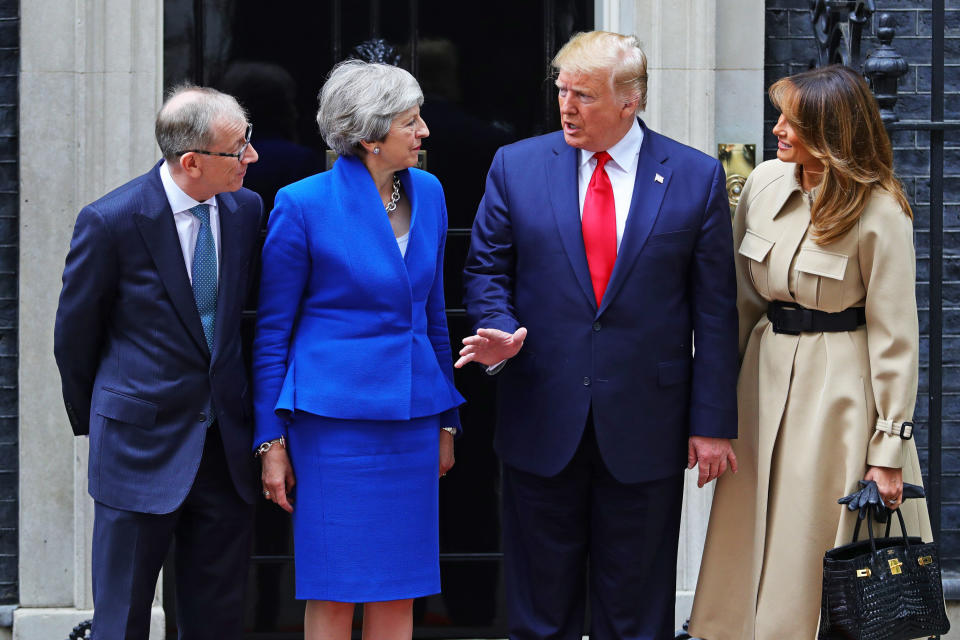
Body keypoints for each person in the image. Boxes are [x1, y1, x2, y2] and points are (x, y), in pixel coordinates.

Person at [458, 31, 739, 640]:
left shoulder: (695, 177)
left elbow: (716, 311)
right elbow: (485, 269)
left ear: (629, 100)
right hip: (542, 412)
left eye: (583, 95)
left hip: (647, 422)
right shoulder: (517, 165)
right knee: (539, 612)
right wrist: (500, 331)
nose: (565, 106)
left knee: (635, 613)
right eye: (561, 90)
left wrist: (712, 422)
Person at [688, 64, 933, 640]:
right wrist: (718, 403)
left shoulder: (880, 209)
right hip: (763, 378)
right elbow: (743, 303)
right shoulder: (765, 182)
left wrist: (888, 449)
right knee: (747, 530)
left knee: (810, 537)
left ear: (830, 130)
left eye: (792, 122)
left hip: (840, 393)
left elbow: (896, 335)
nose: (777, 129)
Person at [254, 59, 464, 640]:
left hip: (413, 419)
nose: (423, 132)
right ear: (371, 136)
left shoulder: (431, 191)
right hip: (333, 425)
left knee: (402, 587)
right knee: (334, 587)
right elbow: (273, 332)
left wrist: (448, 419)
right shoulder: (302, 203)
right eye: (410, 122)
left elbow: (433, 314)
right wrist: (270, 440)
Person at [53, 86, 263, 639]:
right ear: (191, 161)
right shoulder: (111, 221)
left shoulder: (245, 209)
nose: (252, 157)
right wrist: (105, 422)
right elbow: (74, 339)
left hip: (223, 453)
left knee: (217, 620)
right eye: (238, 148)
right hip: (137, 452)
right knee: (120, 621)